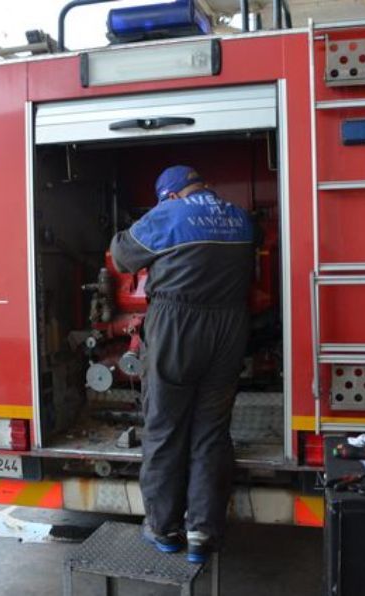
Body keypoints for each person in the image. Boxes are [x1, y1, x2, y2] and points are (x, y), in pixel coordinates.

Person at [110, 165, 254, 564]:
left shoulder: (170, 213)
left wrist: (146, 220)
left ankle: (163, 528)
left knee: (164, 428)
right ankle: (202, 532)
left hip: (178, 326)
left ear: (171, 194)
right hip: (229, 327)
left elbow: (122, 255)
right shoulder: (238, 216)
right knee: (211, 431)